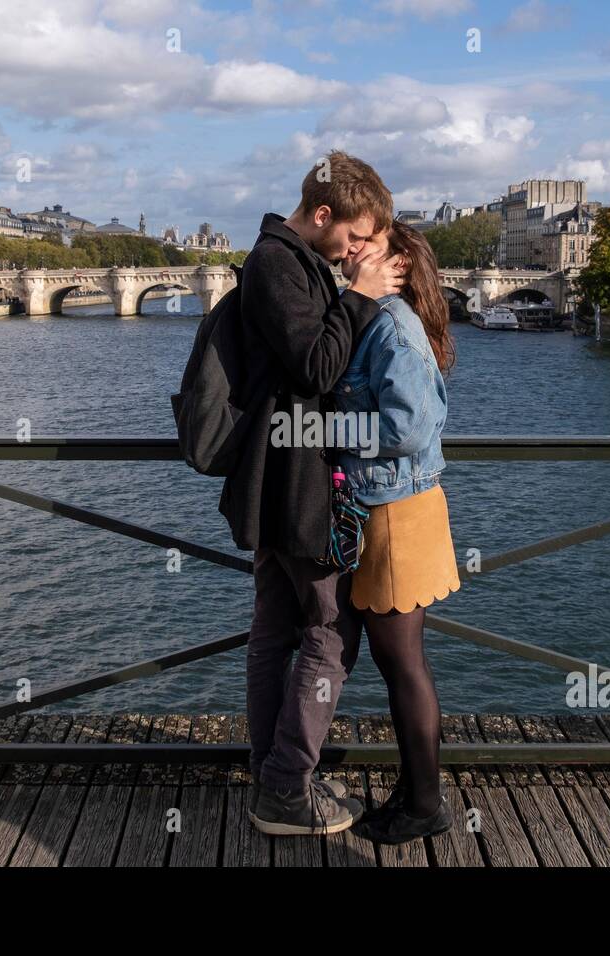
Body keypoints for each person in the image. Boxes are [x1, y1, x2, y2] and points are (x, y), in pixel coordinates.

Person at [228, 151, 406, 836]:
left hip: (281, 476)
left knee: (276, 628)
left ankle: (272, 771)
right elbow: (316, 364)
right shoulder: (277, 262)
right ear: (324, 215)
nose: (359, 251)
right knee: (331, 633)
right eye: (355, 238)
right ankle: (282, 790)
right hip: (296, 479)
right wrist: (360, 294)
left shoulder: (288, 260)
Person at [332, 221, 460, 844]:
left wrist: (328, 436)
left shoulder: (391, 324)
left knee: (403, 664)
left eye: (369, 244)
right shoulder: (377, 316)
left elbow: (409, 429)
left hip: (394, 511)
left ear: (401, 260)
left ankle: (425, 805)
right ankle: (415, 792)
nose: (354, 250)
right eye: (352, 243)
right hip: (390, 506)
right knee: (400, 662)